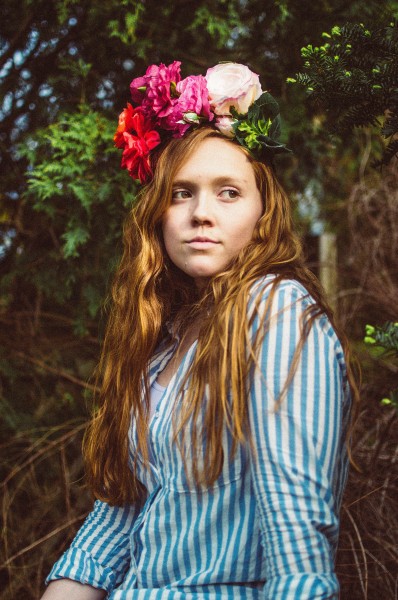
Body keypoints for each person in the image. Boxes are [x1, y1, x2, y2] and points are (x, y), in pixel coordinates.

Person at [41, 62, 356, 599]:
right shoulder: (165, 342)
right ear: (158, 213)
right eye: (182, 192)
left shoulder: (277, 313)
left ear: (263, 212)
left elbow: (297, 533)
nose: (200, 213)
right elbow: (119, 516)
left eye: (228, 192)